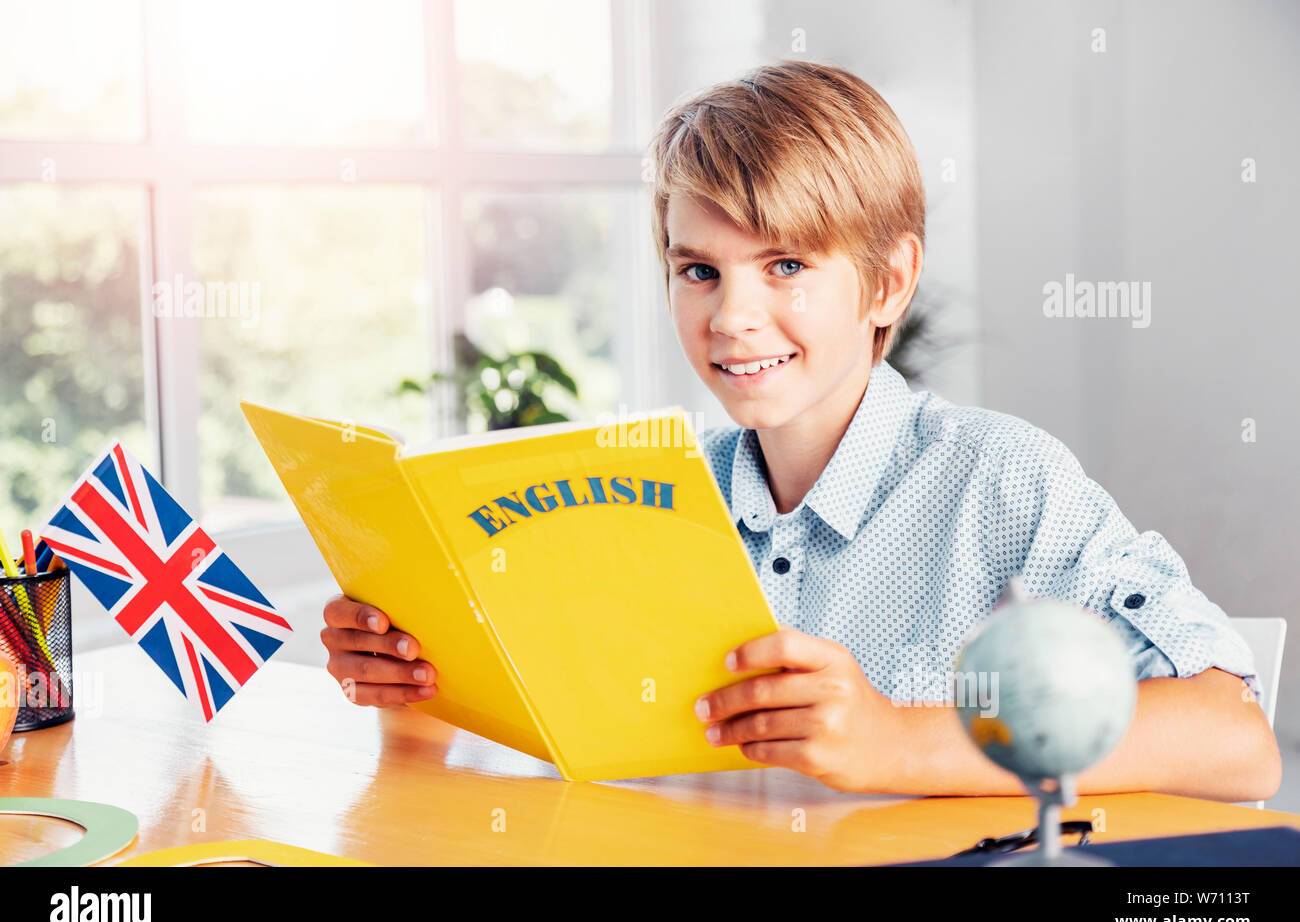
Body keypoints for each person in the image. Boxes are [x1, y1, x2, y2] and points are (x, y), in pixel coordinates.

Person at [320, 60, 1280, 802]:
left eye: (784, 266)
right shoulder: (646, 502)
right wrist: (419, 697)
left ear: (888, 283)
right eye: (699, 270)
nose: (732, 317)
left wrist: (897, 740)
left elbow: (1237, 742)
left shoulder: (1002, 481)